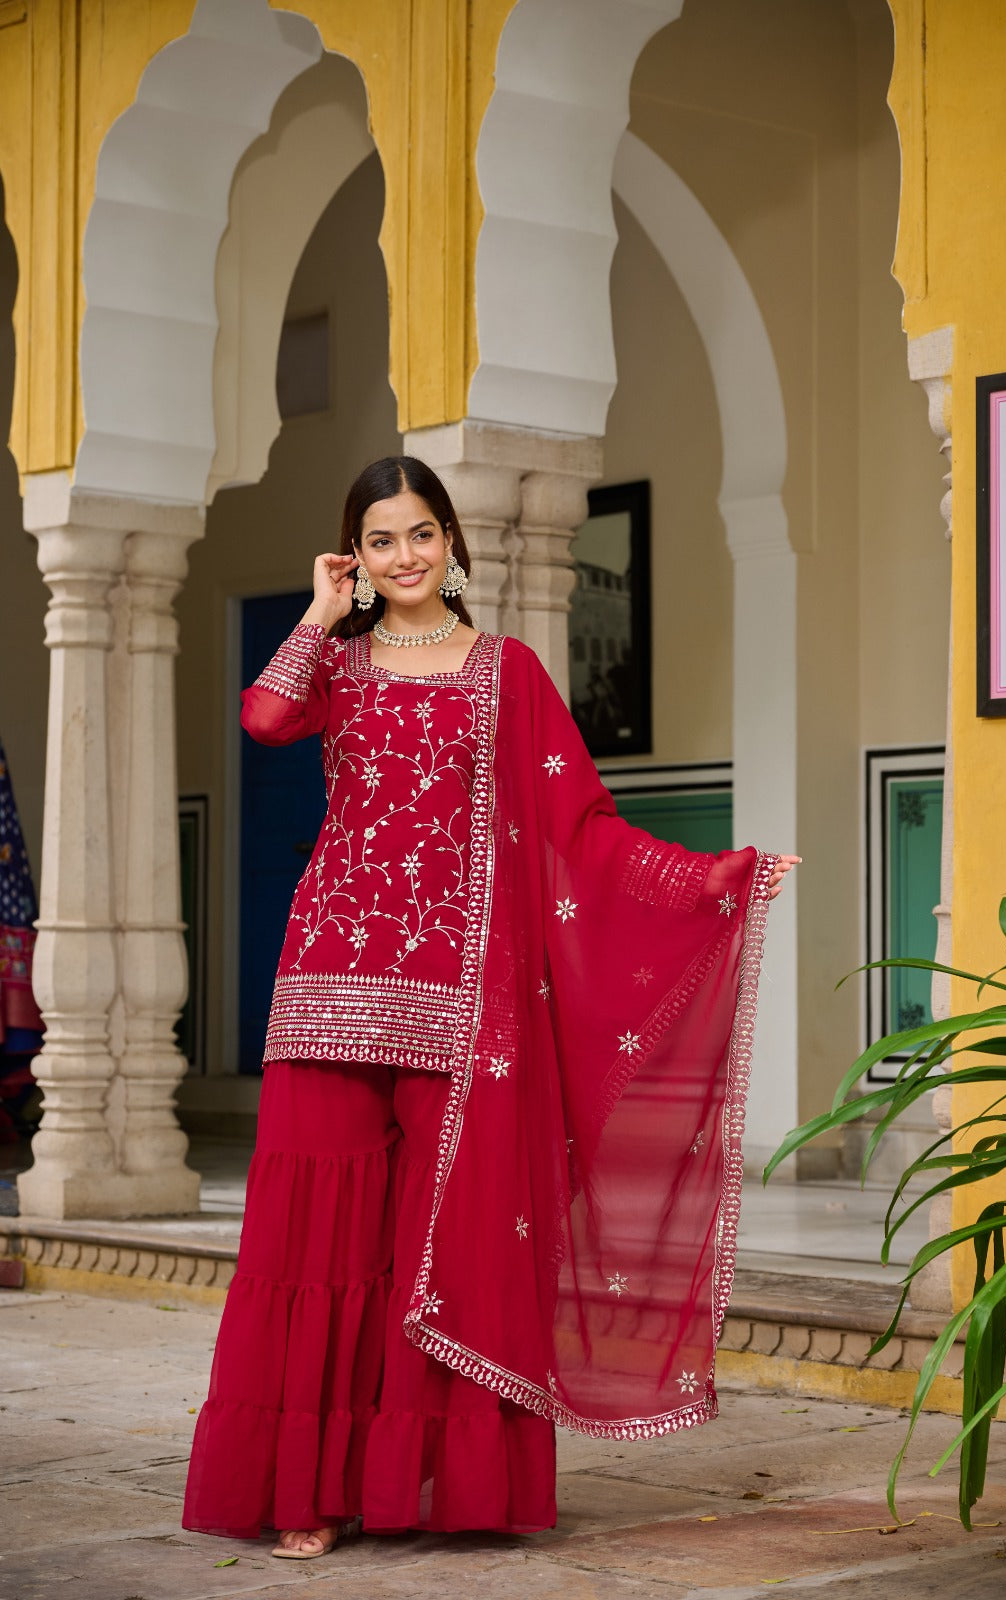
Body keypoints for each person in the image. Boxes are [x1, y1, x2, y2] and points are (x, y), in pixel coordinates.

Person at [182, 455, 798, 1559]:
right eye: (379, 541)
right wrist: (321, 612)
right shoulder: (344, 664)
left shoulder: (505, 671)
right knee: (315, 1240)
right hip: (326, 986)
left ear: (453, 542)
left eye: (420, 533)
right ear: (355, 557)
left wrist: (713, 876)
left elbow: (583, 831)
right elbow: (267, 716)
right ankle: (308, 1491)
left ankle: (431, 1485)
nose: (403, 556)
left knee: (438, 1242)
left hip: (458, 1002)